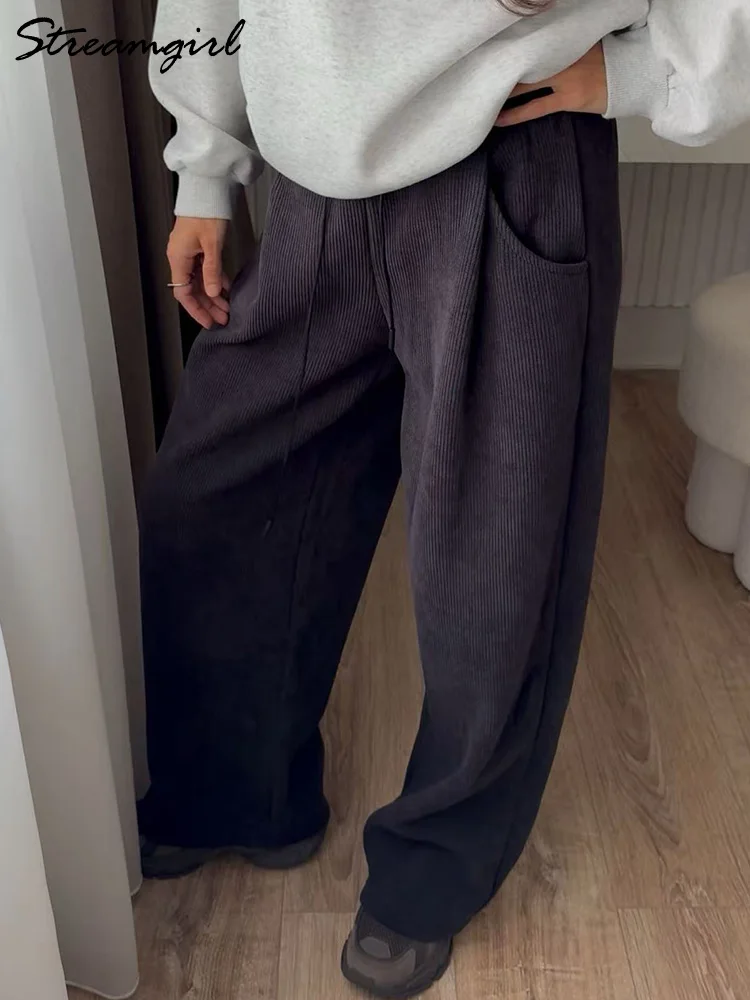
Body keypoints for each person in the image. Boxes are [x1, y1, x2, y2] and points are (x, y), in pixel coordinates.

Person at [138, 1, 750, 996]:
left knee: (497, 558)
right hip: (313, 178)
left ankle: (431, 869)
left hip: (512, 153)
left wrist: (650, 74)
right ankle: (232, 792)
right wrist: (205, 169)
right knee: (217, 500)